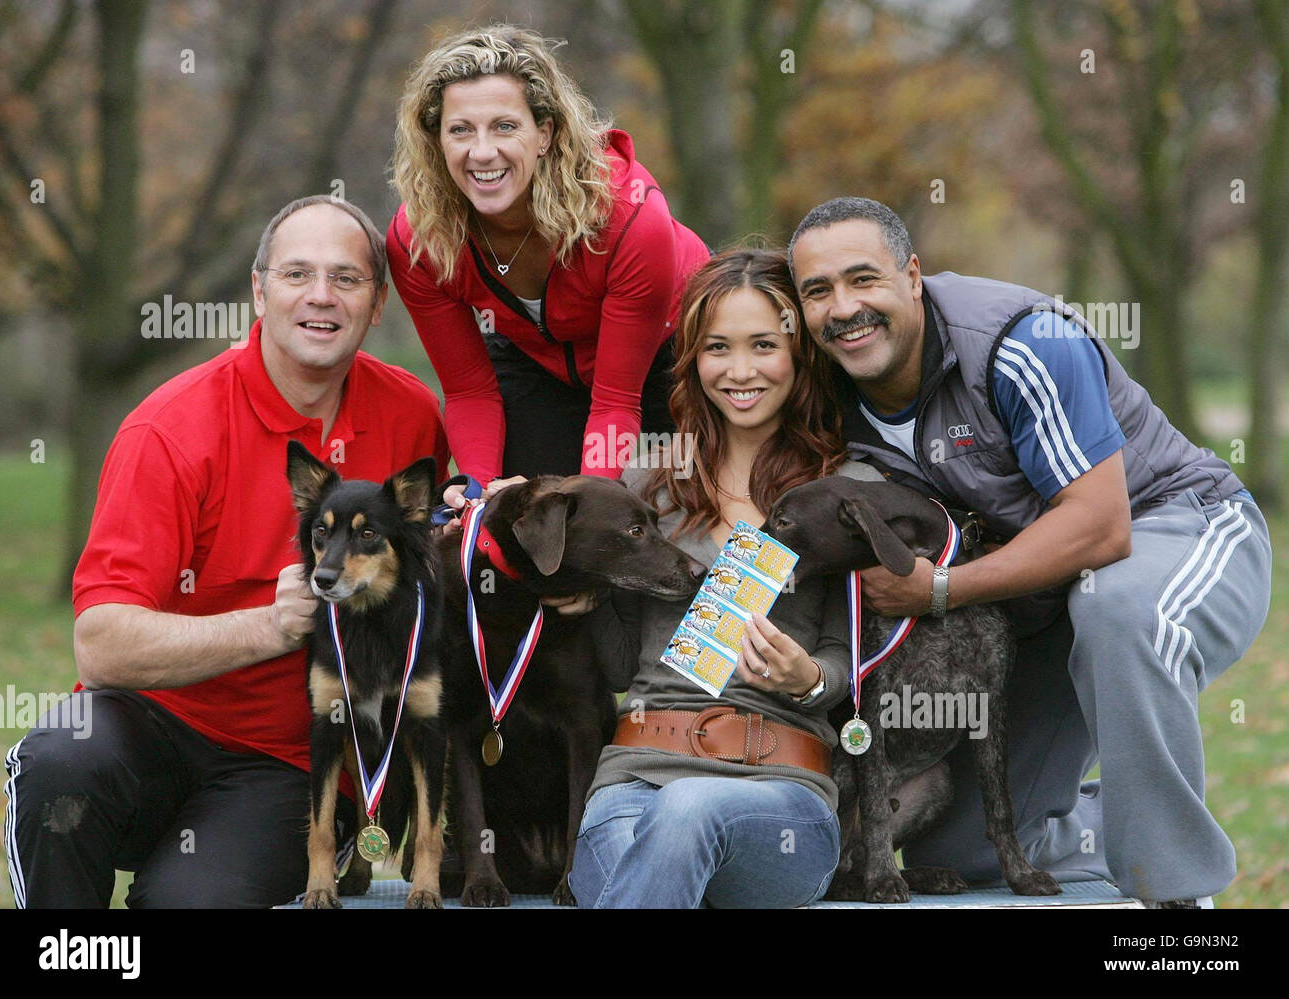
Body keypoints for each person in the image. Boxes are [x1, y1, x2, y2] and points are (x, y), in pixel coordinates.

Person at [787, 196, 1272, 908]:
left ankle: (1177, 899)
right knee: (962, 850)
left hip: (1179, 526)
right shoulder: (826, 387)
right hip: (1039, 596)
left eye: (864, 279)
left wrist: (941, 590)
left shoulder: (1020, 342)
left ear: (913, 275)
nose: (844, 307)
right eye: (818, 291)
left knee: (1120, 607)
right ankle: (1134, 813)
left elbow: (1103, 528)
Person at [2, 195, 450, 908]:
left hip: (289, 761)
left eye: (347, 277)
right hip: (150, 726)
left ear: (378, 301)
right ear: (258, 289)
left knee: (188, 903)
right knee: (59, 763)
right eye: (296, 273)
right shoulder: (170, 427)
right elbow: (100, 644)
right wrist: (269, 625)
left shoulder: (413, 416)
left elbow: (435, 562)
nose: (321, 296)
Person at [568, 248, 882, 909]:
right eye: (717, 347)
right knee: (661, 830)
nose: (740, 371)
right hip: (633, 782)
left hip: (780, 798)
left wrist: (810, 678)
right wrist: (584, 585)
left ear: (799, 356)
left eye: (763, 344)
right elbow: (622, 664)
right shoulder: (642, 487)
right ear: (692, 357)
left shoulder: (847, 492)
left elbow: (854, 654)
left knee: (689, 809)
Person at [387, 22, 709, 505]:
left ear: (545, 133)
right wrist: (476, 495)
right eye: (460, 130)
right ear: (436, 141)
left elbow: (615, 402)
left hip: (670, 356)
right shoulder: (418, 240)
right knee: (514, 518)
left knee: (653, 523)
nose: (482, 151)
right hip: (538, 361)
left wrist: (576, 505)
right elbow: (470, 392)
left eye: (505, 126)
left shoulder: (630, 219)